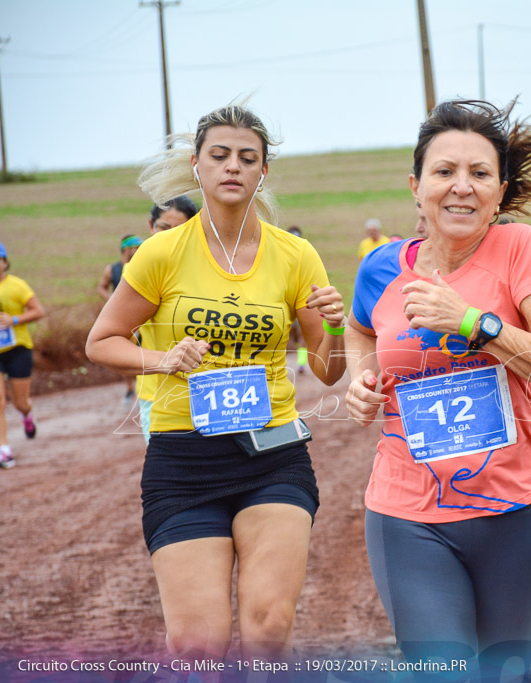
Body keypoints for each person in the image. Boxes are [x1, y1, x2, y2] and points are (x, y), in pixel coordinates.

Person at [85, 103, 347, 661]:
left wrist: (334, 327)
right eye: (220, 156)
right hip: (183, 463)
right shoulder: (161, 253)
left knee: (269, 628)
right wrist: (163, 360)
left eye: (247, 158)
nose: (233, 167)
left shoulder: (296, 255)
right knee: (197, 644)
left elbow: (327, 368)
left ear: (262, 173)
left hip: (273, 454)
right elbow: (101, 340)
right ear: (197, 167)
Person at [344, 99, 531, 678]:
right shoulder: (380, 267)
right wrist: (360, 377)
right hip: (406, 514)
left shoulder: (520, 250)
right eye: (445, 171)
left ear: (500, 192)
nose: (462, 187)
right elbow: (358, 329)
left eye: (480, 174)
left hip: (510, 511)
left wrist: (475, 322)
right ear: (416, 185)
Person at [136, 197, 199, 444]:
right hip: (156, 396)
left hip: (207, 393)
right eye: (163, 228)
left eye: (179, 230)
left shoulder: (207, 269)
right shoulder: (141, 273)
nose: (168, 237)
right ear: (151, 226)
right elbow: (111, 338)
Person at [0, 241, 45, 469]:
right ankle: (3, 450)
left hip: (17, 350)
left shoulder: (17, 286)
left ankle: (27, 416)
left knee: (20, 402)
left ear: (5, 263)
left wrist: (14, 320)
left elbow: (38, 311)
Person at [98, 235, 145, 404]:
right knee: (125, 353)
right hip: (122, 318)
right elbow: (101, 287)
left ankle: (141, 386)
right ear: (126, 249)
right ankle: (129, 387)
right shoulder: (113, 269)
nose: (138, 250)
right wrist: (111, 299)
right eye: (135, 247)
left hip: (141, 316)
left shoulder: (143, 265)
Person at [285, 226, 309, 376]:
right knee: (290, 338)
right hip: (286, 304)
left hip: (301, 303)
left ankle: (301, 364)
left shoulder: (306, 256)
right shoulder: (280, 257)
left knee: (301, 337)